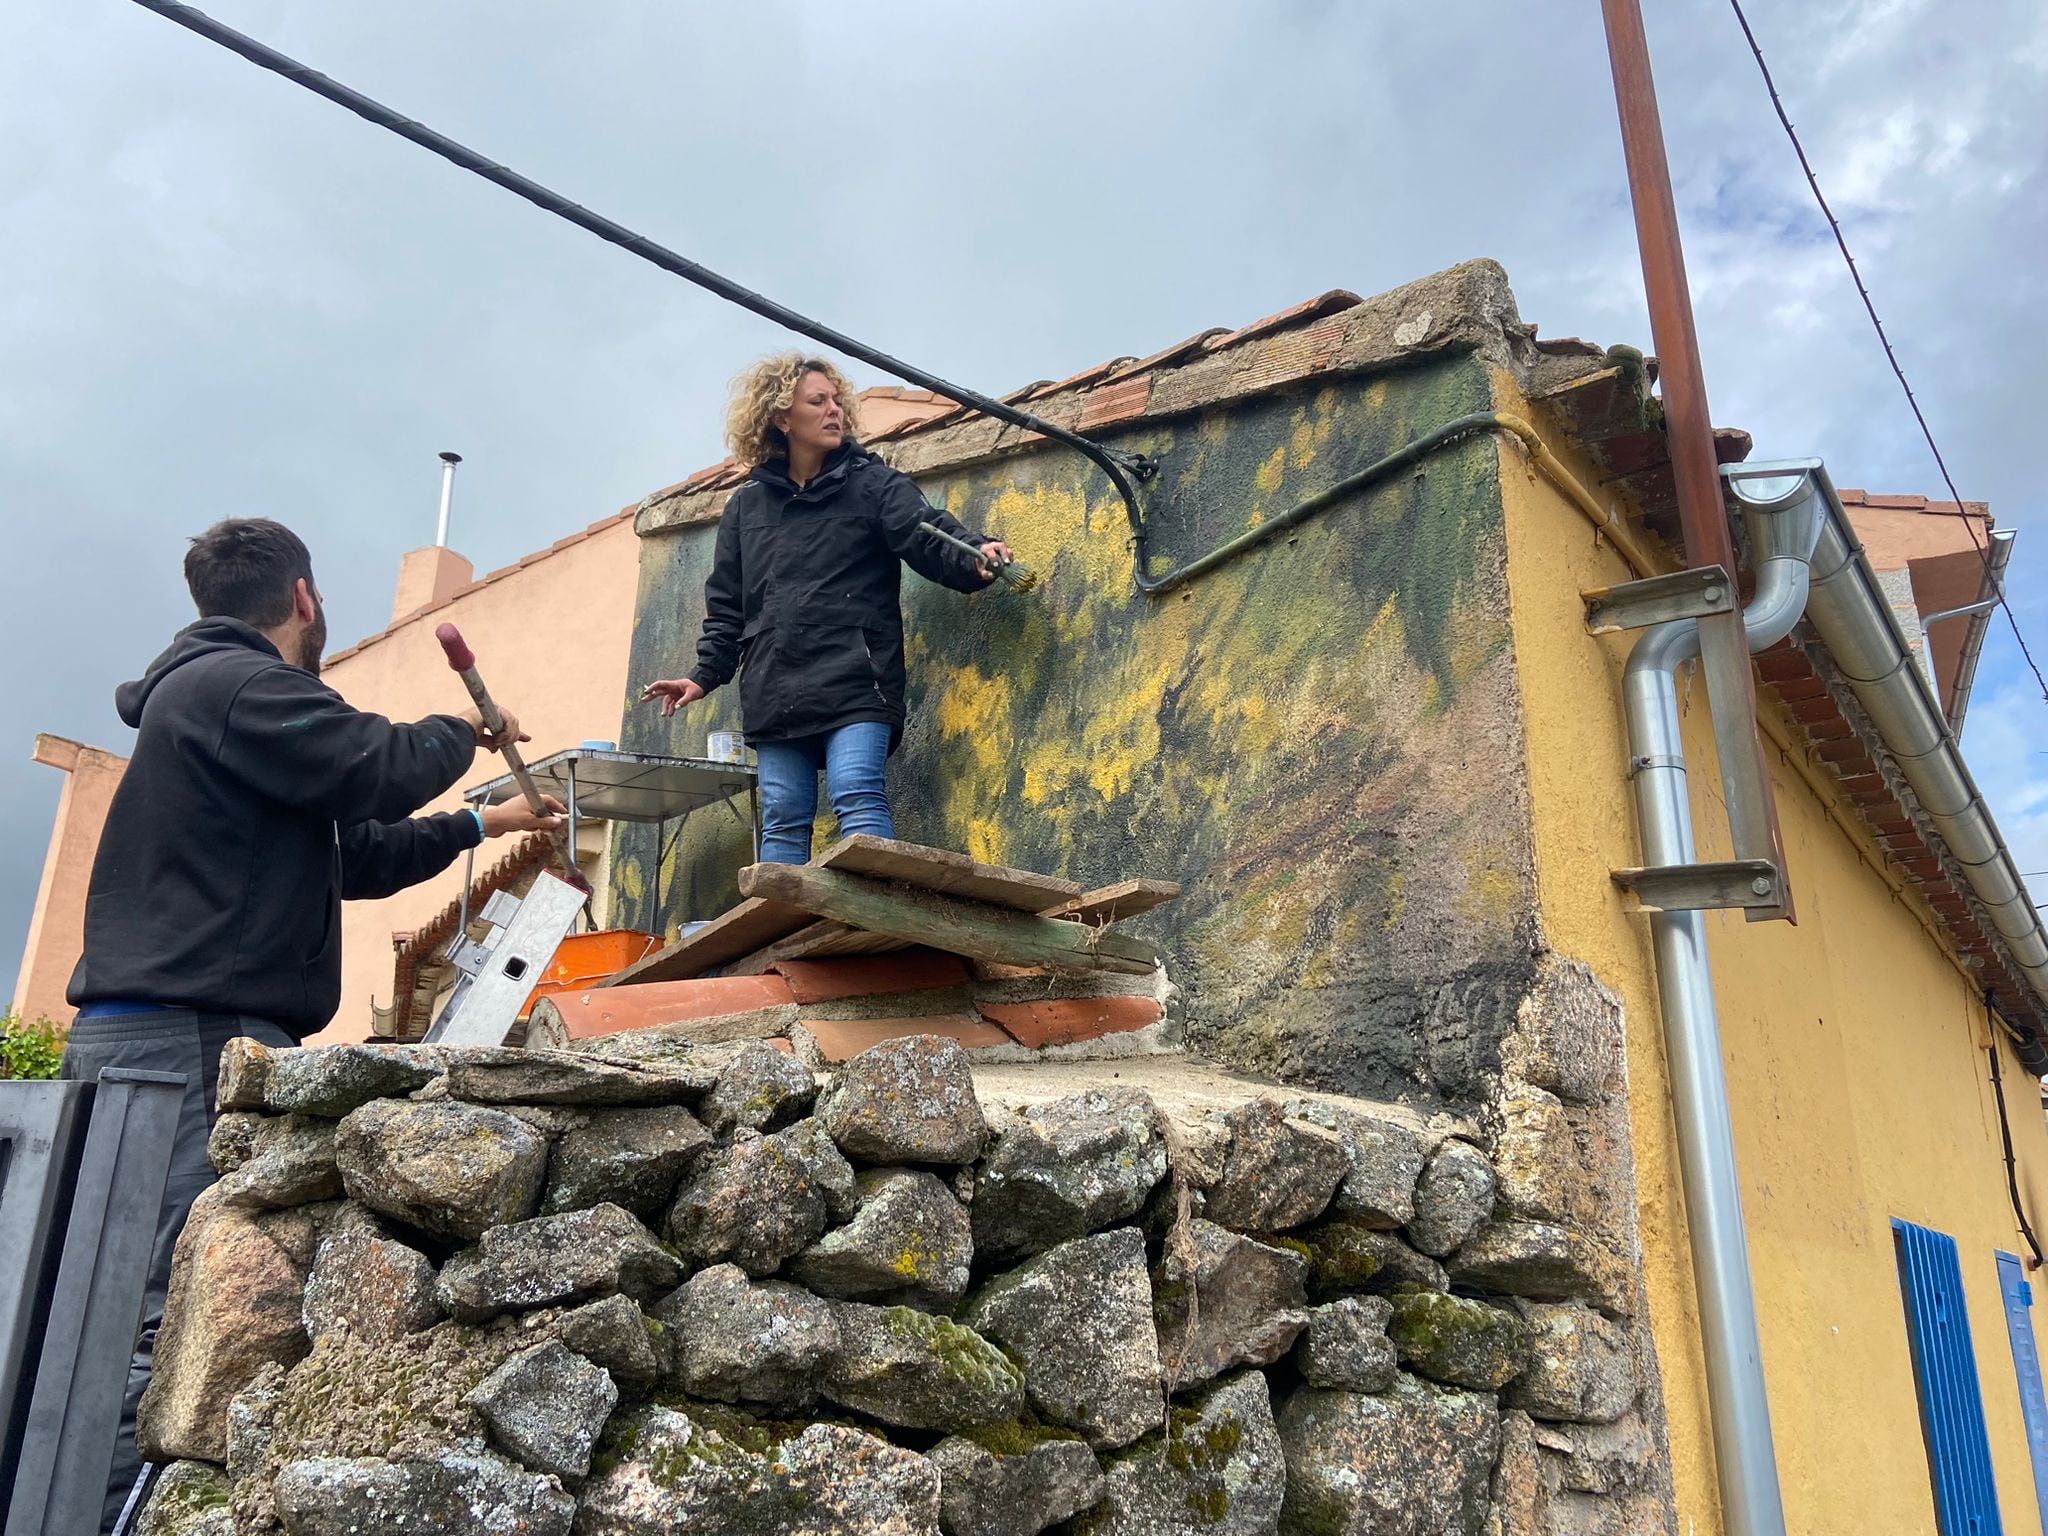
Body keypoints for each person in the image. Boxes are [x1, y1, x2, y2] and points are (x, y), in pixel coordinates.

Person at [61, 517, 564, 1533]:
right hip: (183, 1040)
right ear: (303, 597)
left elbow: (358, 851)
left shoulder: (213, 712)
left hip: (157, 1032)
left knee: (115, 1310)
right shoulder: (237, 687)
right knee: (162, 1315)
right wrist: (458, 731)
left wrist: (482, 822)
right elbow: (370, 764)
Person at [639, 354, 1012, 862]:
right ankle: (785, 935)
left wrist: (977, 556)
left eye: (838, 401)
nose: (835, 410)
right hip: (776, 685)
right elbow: (727, 610)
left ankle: (876, 923)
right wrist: (703, 676)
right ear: (781, 418)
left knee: (856, 792)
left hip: (858, 676)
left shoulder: (874, 486)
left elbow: (930, 534)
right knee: (783, 818)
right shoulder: (745, 509)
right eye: (818, 402)